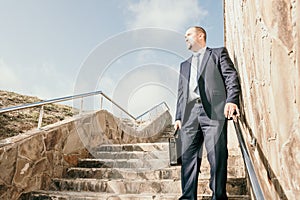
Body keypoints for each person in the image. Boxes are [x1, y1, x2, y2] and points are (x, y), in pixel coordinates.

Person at [174, 26, 240, 200]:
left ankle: (218, 196)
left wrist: (231, 100)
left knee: (217, 154)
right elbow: (181, 93)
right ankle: (188, 196)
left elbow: (230, 77)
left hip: (213, 111)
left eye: (188, 34)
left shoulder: (218, 54)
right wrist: (178, 117)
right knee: (188, 157)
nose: (185, 38)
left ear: (200, 35)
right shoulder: (184, 65)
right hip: (189, 115)